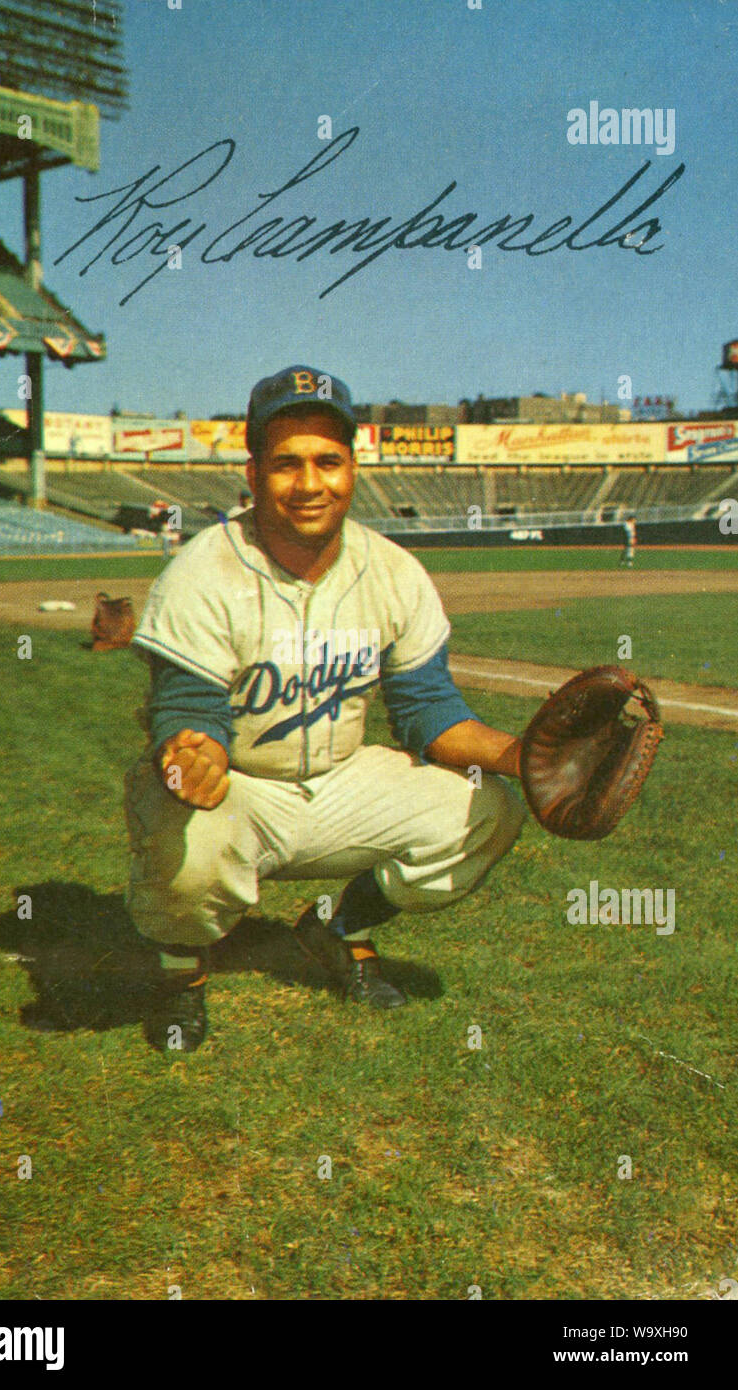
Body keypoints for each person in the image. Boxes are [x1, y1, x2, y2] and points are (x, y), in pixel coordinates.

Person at [124, 365, 526, 1052]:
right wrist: (194, 755)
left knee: (489, 806)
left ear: (353, 467)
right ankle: (181, 976)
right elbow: (189, 705)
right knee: (182, 838)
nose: (309, 483)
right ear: (253, 473)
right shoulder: (201, 571)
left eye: (326, 461)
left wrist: (525, 756)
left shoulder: (393, 570)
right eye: (285, 464)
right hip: (239, 786)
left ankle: (335, 929)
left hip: (342, 782)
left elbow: (427, 710)